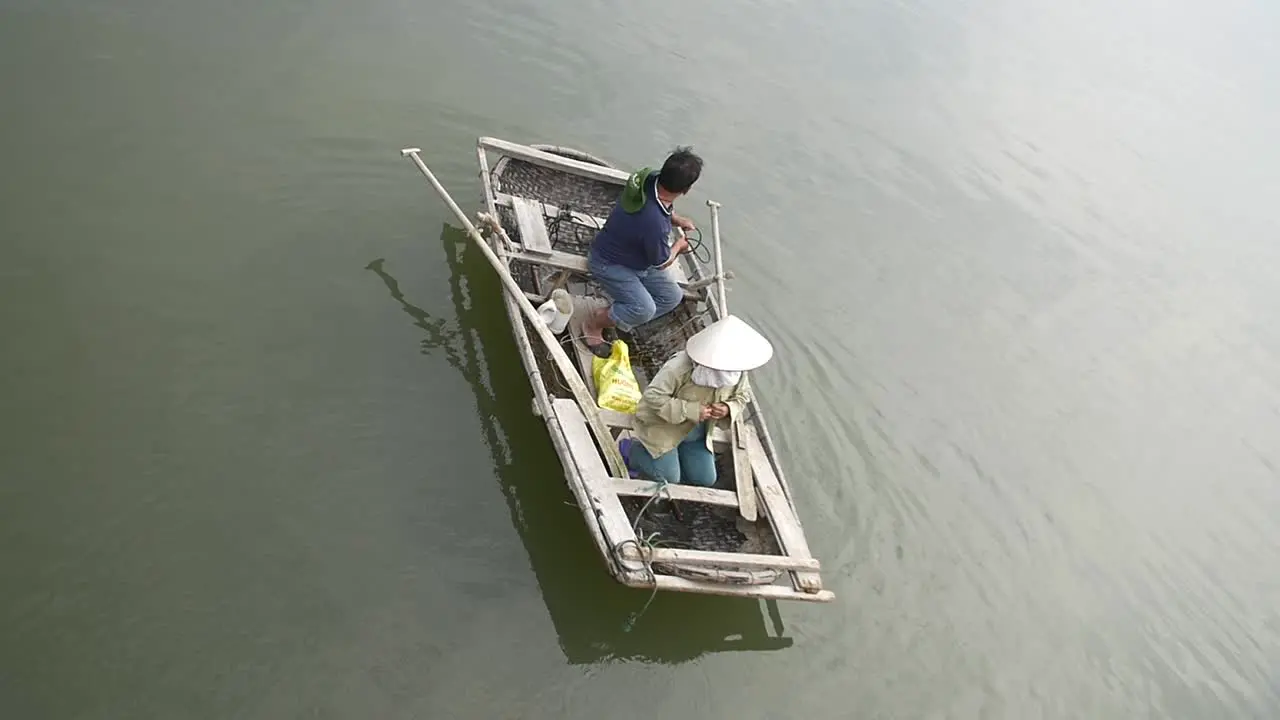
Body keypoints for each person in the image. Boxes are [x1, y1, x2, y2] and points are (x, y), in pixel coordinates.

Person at [580, 147, 703, 357]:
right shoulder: (654, 224)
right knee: (645, 309)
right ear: (686, 189)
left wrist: (676, 219)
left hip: (636, 257)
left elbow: (663, 205)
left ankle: (621, 314)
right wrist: (679, 247)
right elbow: (663, 261)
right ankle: (593, 324)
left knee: (671, 296)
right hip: (609, 262)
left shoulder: (650, 178)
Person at [624, 315, 774, 487]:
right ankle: (631, 450)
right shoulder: (679, 368)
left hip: (696, 433)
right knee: (669, 478)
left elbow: (743, 395)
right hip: (663, 427)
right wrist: (691, 410)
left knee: (704, 479)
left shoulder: (737, 372)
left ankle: (675, 456)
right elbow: (653, 397)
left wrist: (727, 408)